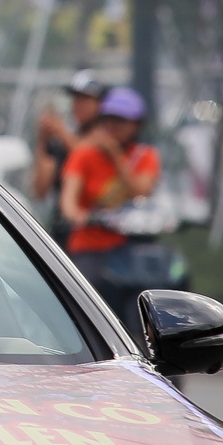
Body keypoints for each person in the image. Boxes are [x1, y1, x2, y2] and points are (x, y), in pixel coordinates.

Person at [61, 86, 164, 326]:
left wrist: (115, 156)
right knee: (88, 291)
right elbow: (68, 202)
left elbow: (142, 190)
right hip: (90, 246)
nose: (113, 127)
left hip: (131, 247)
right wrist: (79, 215)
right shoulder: (84, 155)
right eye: (108, 120)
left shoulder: (145, 156)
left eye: (121, 121)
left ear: (136, 125)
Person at [33, 69, 107, 242]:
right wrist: (43, 141)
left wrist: (61, 132)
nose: (78, 105)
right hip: (63, 231)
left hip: (96, 235)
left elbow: (88, 158)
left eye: (85, 99)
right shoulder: (63, 143)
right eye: (76, 99)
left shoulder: (107, 140)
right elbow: (40, 190)